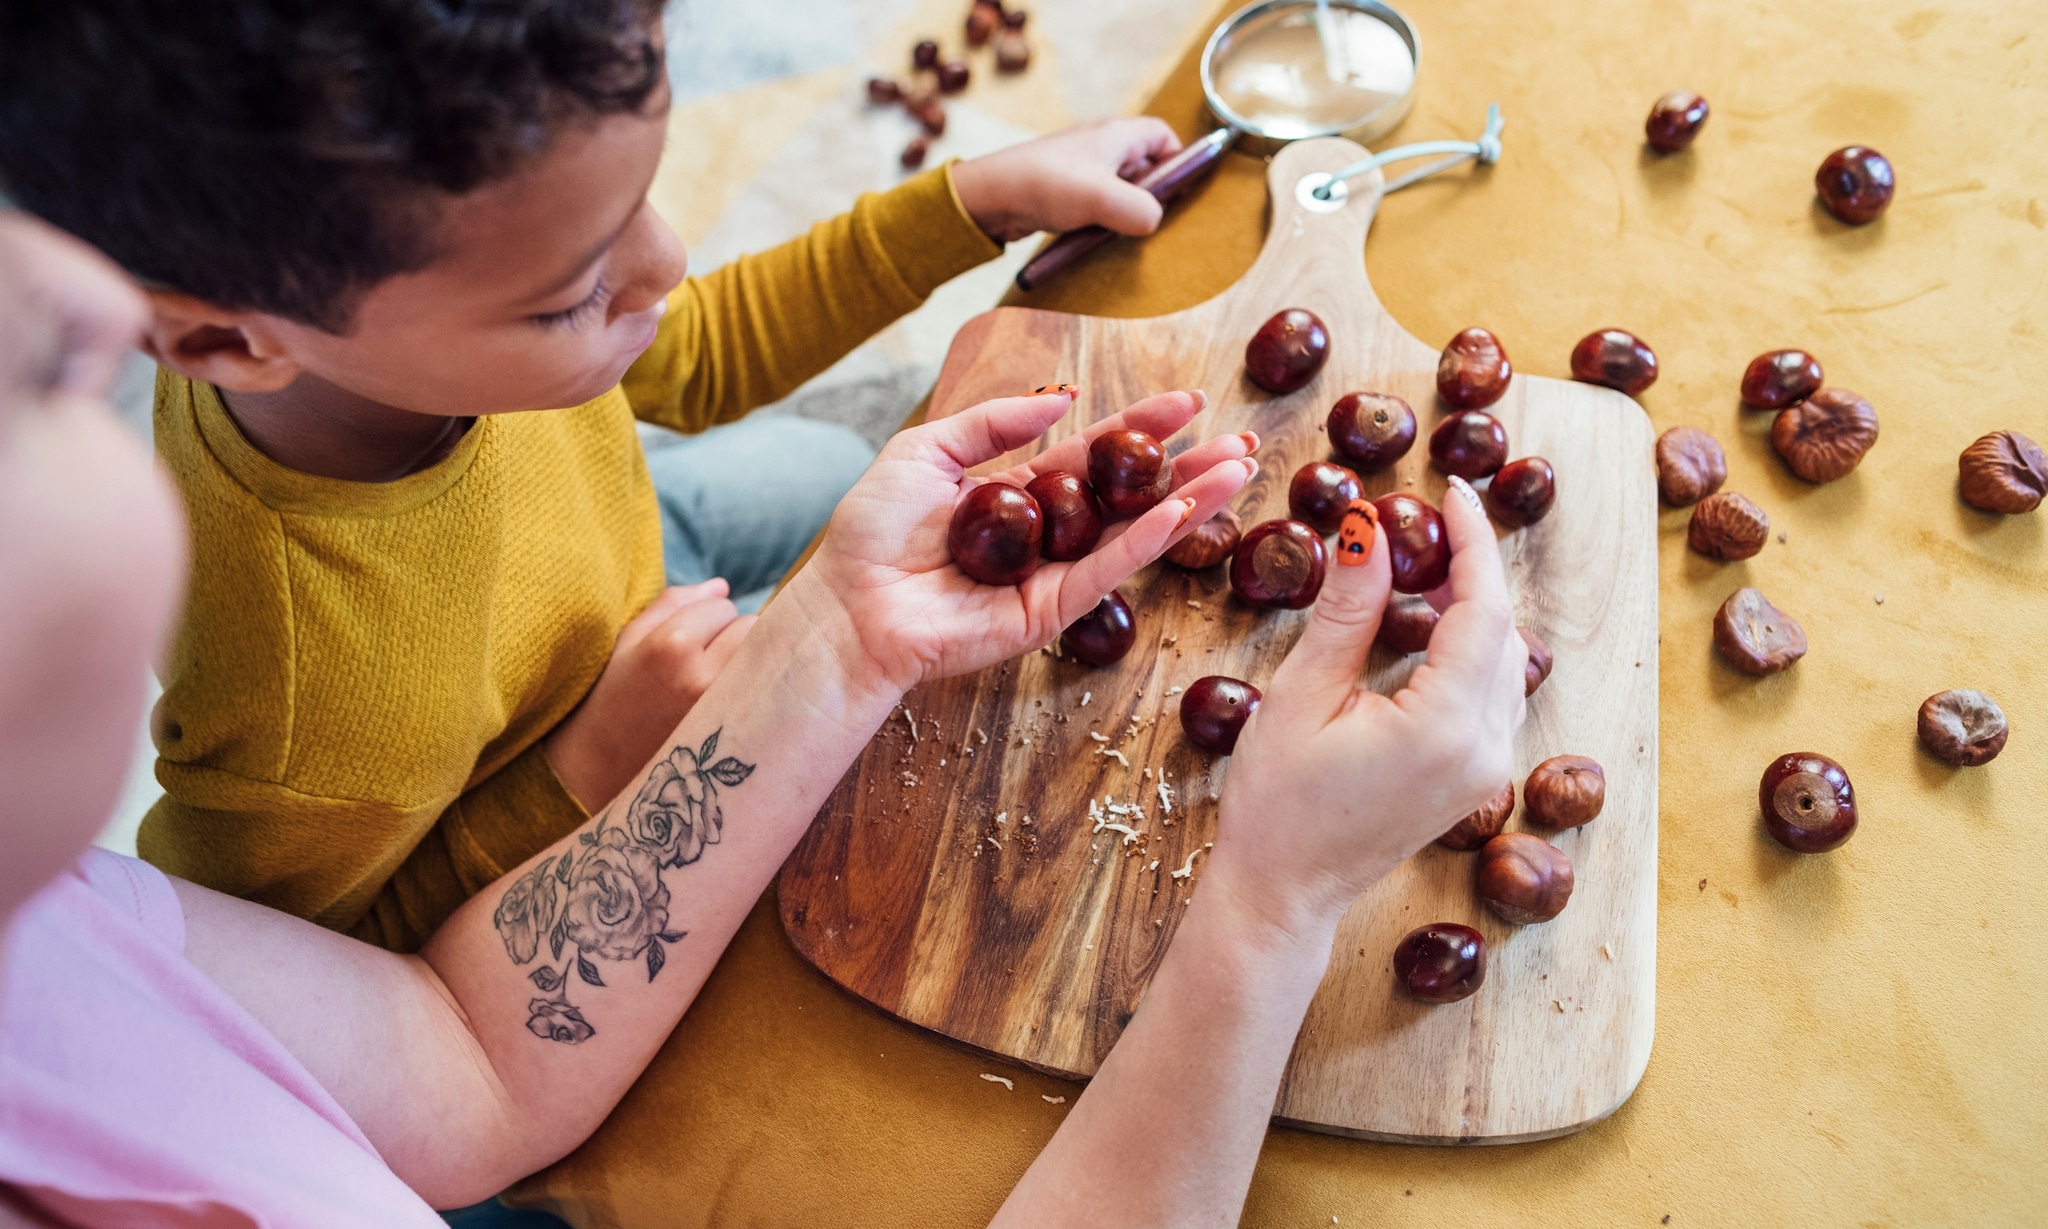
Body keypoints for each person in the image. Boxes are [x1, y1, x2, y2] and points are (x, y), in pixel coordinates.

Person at [0, 212, 1524, 1225]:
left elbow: (461, 1054)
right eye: (29, 379)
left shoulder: (48, 954)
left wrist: (838, 642)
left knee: (783, 474)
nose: (73, 300)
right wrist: (1271, 905)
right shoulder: (289, 685)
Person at [0, 0, 1196, 952]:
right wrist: (582, 773)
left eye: (643, 200)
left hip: (630, 549)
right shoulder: (310, 725)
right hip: (553, 768)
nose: (666, 261)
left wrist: (974, 200)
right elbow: (313, 981)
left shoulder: (392, 333)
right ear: (220, 342)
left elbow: (695, 350)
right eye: (571, 288)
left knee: (857, 452)